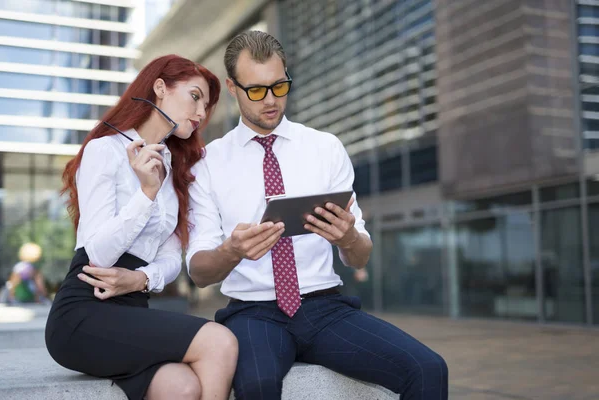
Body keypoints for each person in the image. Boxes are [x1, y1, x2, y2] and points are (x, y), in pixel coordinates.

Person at [186, 31, 448, 400]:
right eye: (257, 90)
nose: (272, 100)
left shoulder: (326, 148)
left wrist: (348, 238)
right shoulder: (209, 164)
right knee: (257, 384)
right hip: (253, 313)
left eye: (280, 86)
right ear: (232, 87)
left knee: (428, 368)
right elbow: (198, 273)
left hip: (323, 308)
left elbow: (361, 255)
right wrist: (232, 251)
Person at [45, 55, 238, 400]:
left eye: (206, 106)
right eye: (195, 97)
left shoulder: (172, 167)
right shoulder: (105, 150)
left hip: (133, 307)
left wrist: (142, 279)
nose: (200, 113)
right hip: (85, 310)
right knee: (219, 340)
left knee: (182, 386)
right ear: (160, 88)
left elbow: (170, 258)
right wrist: (146, 192)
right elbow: (99, 254)